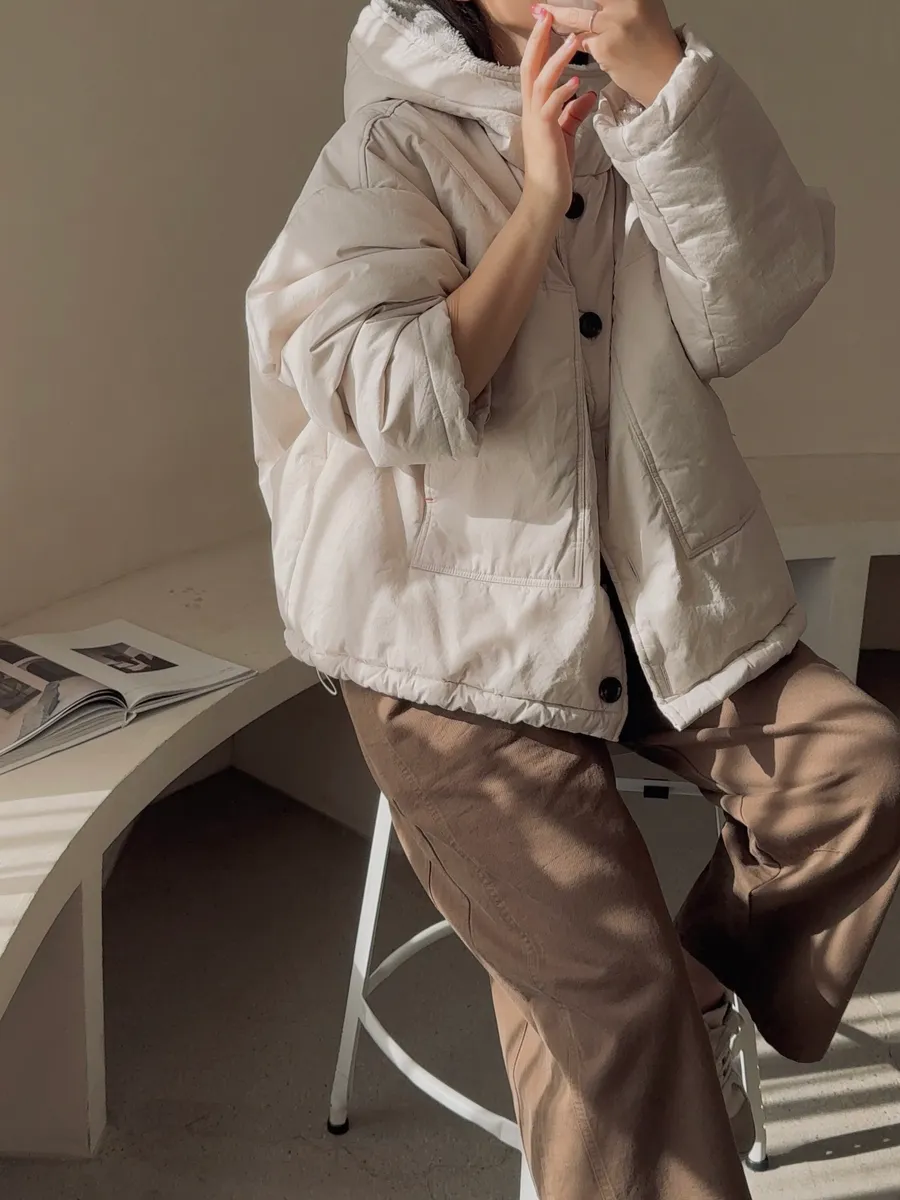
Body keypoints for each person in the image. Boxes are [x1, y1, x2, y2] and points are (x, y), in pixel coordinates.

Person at [247, 0, 900, 1195]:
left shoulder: (647, 114)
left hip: (642, 599)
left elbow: (756, 298)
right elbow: (383, 398)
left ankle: (696, 996)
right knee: (612, 993)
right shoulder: (392, 141)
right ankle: (653, 1030)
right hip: (445, 643)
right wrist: (538, 200)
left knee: (857, 778)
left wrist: (668, 84)